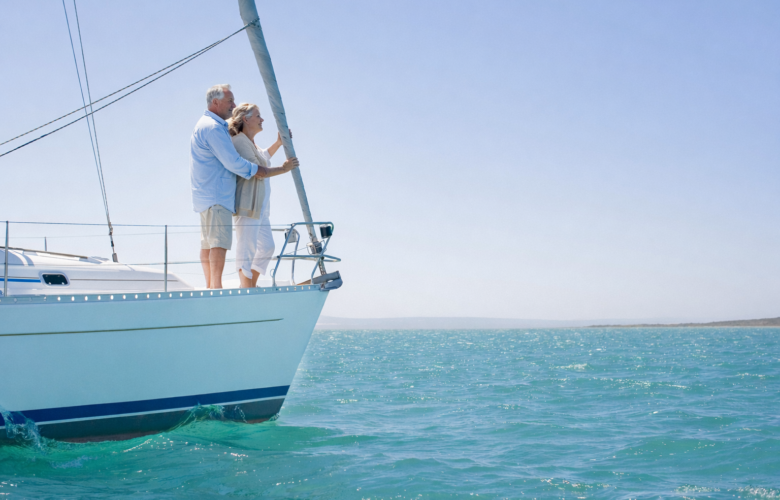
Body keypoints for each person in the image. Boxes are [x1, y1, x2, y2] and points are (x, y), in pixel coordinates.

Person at [190, 84, 289, 289]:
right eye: (229, 101)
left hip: (218, 197)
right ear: (216, 102)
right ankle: (219, 289)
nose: (233, 105)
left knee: (216, 243)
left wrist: (278, 145)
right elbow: (235, 163)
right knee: (224, 244)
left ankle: (227, 286)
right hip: (226, 198)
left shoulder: (219, 129)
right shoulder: (218, 130)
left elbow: (260, 157)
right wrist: (270, 170)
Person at [228, 103, 299, 288]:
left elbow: (263, 157)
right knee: (246, 250)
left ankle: (250, 285)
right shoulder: (239, 141)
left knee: (267, 247)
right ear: (246, 119)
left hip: (261, 209)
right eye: (258, 116)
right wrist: (284, 169)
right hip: (248, 206)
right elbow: (257, 170)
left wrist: (278, 143)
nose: (262, 119)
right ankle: (246, 289)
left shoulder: (251, 143)